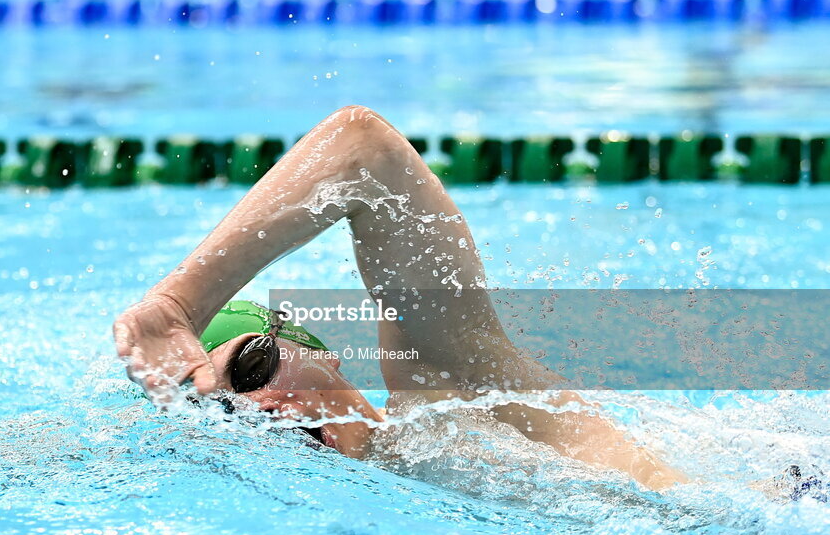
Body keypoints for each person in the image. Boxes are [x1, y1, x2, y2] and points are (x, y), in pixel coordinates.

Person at [113, 105, 690, 491]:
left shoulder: (452, 392)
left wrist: (180, 303)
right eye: (227, 412)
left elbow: (363, 150)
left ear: (318, 350)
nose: (259, 408)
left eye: (253, 366)